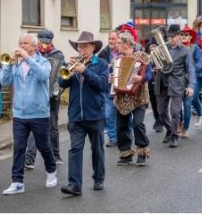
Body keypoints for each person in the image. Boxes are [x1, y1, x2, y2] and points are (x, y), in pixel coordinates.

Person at [2, 34, 58, 195]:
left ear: (34, 46)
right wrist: (7, 65)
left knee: (43, 146)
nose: (22, 46)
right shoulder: (16, 63)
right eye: (20, 43)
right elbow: (5, 81)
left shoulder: (43, 62)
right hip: (19, 113)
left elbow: (43, 75)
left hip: (39, 113)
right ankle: (17, 182)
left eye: (25, 43)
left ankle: (51, 171)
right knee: (19, 148)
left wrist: (27, 59)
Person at [56, 31, 109, 196]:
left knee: (97, 149)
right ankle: (75, 185)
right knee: (75, 149)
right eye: (80, 46)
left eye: (85, 46)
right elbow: (61, 83)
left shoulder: (101, 63)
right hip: (76, 115)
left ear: (93, 47)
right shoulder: (73, 63)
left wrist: (85, 71)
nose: (82, 49)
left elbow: (102, 85)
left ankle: (98, 178)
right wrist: (67, 70)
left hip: (95, 114)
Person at [24, 29, 65, 169]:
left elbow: (62, 75)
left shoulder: (58, 55)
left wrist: (58, 88)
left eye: (47, 43)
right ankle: (29, 158)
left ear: (52, 41)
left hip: (53, 96)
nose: (44, 46)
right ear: (38, 40)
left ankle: (55, 155)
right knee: (35, 125)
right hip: (36, 94)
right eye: (42, 42)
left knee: (53, 126)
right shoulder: (33, 55)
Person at [111, 32, 151, 166]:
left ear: (127, 44)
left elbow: (150, 74)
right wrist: (111, 79)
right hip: (122, 98)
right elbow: (114, 77)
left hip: (139, 97)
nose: (116, 45)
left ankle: (142, 152)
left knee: (137, 123)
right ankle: (125, 154)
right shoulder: (116, 59)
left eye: (119, 43)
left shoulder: (143, 56)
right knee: (121, 126)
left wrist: (142, 78)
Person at [153, 24, 196, 147]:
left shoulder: (185, 51)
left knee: (175, 112)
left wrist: (191, 86)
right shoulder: (162, 47)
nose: (170, 39)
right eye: (168, 36)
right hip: (162, 82)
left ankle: (174, 135)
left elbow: (191, 70)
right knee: (161, 111)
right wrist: (155, 65)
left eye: (173, 37)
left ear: (178, 36)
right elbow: (155, 62)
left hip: (177, 83)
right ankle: (169, 130)